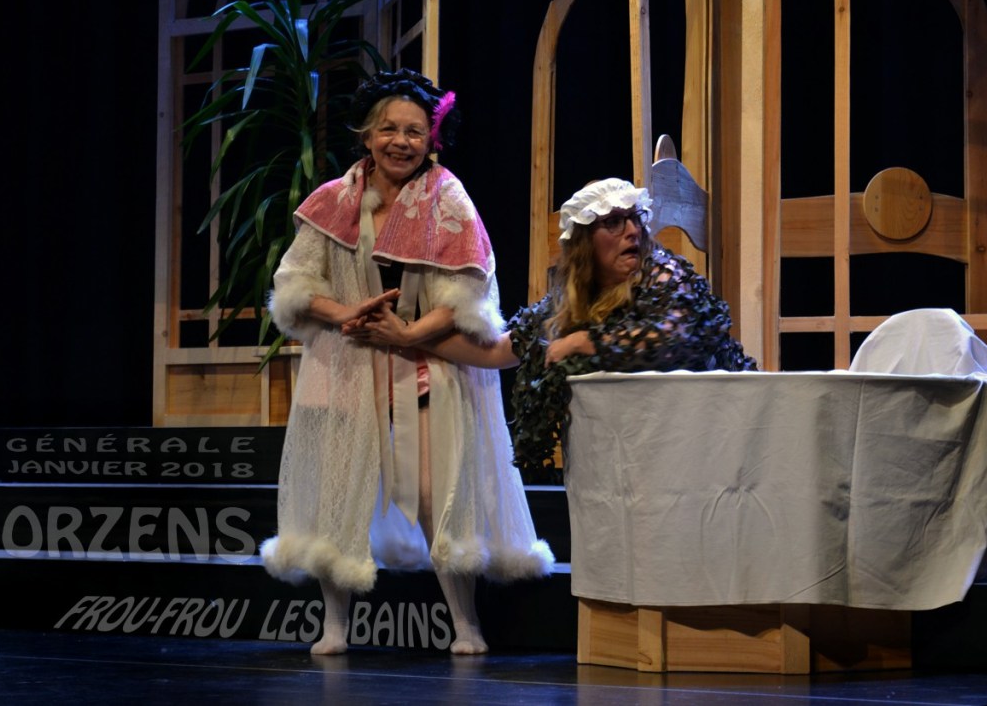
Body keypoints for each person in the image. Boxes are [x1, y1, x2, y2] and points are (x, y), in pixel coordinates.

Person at [259, 69, 555, 656]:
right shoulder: (333, 201)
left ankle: (466, 623)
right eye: (389, 129)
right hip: (346, 364)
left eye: (414, 131)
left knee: (432, 495)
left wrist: (408, 332)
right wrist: (346, 311)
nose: (401, 141)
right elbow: (294, 284)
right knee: (339, 494)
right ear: (367, 135)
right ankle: (335, 624)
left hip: (423, 366)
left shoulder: (448, 198)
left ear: (431, 138)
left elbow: (469, 291)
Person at [357, 178, 757, 477]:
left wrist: (587, 341)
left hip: (714, 439)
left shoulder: (664, 273)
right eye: (613, 222)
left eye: (635, 219)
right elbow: (500, 350)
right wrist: (407, 335)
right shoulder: (567, 304)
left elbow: (675, 336)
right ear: (584, 243)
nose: (632, 230)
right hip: (638, 457)